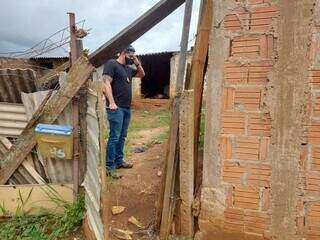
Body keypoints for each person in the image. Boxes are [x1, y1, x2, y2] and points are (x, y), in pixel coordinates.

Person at [102, 45, 145, 179]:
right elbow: (106, 83)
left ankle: (119, 161)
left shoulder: (128, 69)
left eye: (133, 56)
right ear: (122, 53)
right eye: (130, 56)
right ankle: (110, 167)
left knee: (122, 136)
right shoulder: (112, 64)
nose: (132, 59)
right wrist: (112, 102)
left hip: (126, 108)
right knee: (114, 137)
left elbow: (142, 74)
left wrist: (137, 63)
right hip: (116, 107)